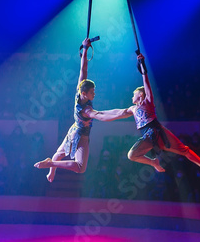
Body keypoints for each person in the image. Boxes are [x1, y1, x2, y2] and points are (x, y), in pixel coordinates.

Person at [34, 38, 131, 182]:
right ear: (85, 93)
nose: (94, 94)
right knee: (80, 167)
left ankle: (51, 170)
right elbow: (102, 116)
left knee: (58, 154)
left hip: (73, 130)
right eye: (92, 92)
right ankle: (51, 165)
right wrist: (124, 113)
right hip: (80, 135)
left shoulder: (79, 92)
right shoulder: (86, 110)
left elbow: (83, 69)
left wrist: (85, 49)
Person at [124, 54, 200, 181]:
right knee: (132, 155)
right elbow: (114, 112)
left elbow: (146, 83)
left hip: (155, 131)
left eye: (134, 94)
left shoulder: (147, 101)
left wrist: (143, 67)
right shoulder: (133, 109)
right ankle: (154, 162)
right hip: (152, 134)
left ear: (141, 94)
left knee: (184, 151)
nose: (132, 96)